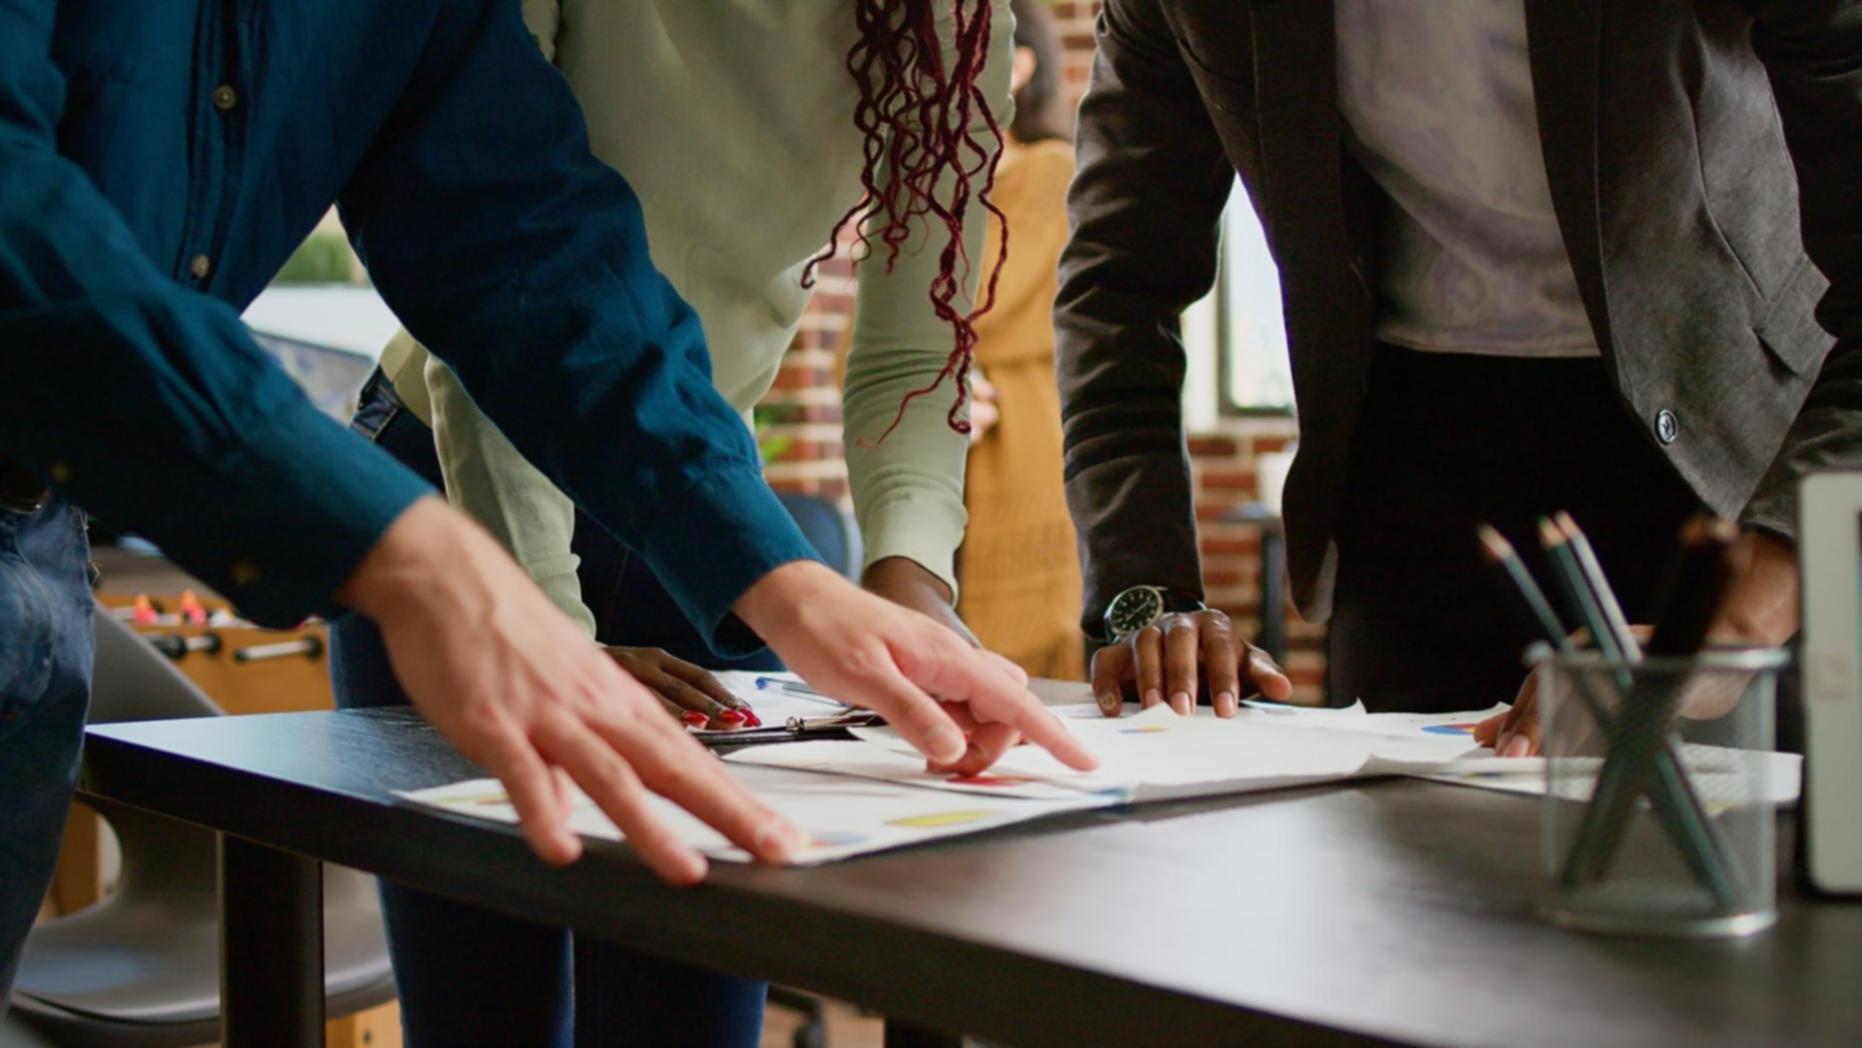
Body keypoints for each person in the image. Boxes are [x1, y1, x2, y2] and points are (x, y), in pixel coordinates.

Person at [0, 0, 1092, 1014]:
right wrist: (433, 558)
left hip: (42, 534)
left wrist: (786, 576)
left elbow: (521, 247)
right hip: (415, 488)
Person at [328, 1, 1056, 1043]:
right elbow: (493, 273)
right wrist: (552, 634)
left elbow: (911, 353)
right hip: (457, 495)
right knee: (489, 1019)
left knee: (693, 1014)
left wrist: (912, 586)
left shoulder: (950, 20)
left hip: (699, 516)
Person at [1056, 2, 1855, 745]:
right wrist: (1148, 597)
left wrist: (1745, 623)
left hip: (1745, 474)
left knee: (1750, 870)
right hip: (1413, 469)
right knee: (1414, 870)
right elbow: (1118, 288)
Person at [952, 0, 1089, 680]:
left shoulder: (1050, 170)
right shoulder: (942, 190)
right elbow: (860, 344)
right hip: (944, 451)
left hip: (1028, 442)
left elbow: (978, 297)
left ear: (1021, 63)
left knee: (1026, 662)